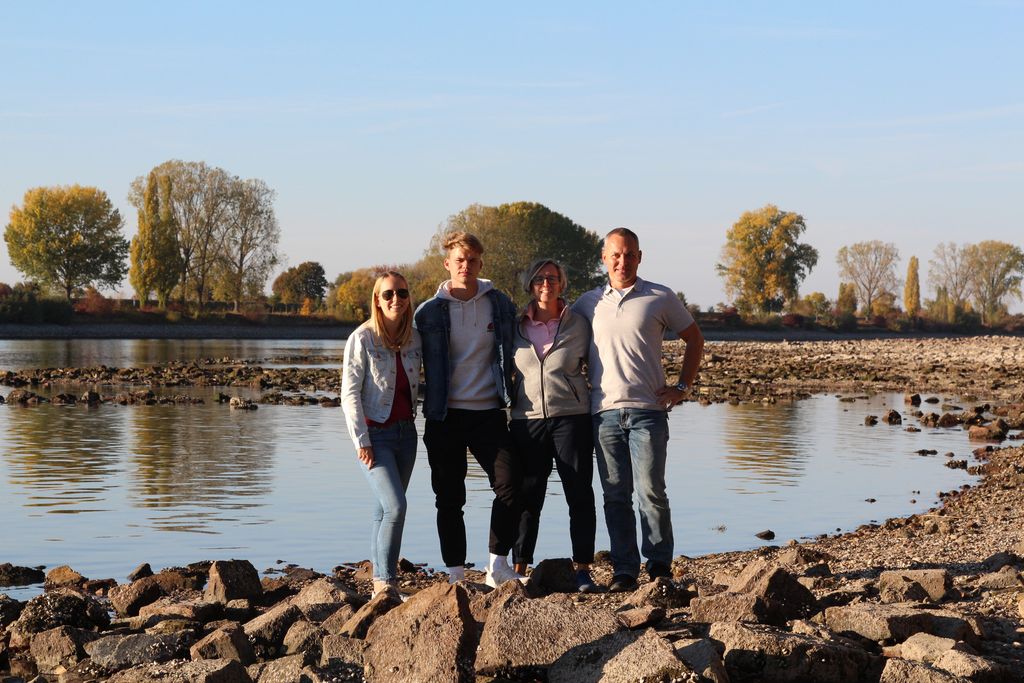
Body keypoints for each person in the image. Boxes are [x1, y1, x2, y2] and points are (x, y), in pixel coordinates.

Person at [573, 227, 705, 592]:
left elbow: (694, 339)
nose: (622, 261)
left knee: (651, 491)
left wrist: (682, 387)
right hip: (603, 414)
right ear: (604, 258)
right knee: (615, 495)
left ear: (639, 257)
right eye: (615, 254)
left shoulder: (660, 297)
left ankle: (659, 566)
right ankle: (624, 570)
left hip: (649, 410)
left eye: (629, 254)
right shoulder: (588, 303)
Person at [413, 231, 524, 587]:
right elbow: (403, 350)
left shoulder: (500, 304)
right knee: (449, 496)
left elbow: (526, 335)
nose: (466, 266)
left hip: (489, 412)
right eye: (459, 260)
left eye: (472, 260)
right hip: (444, 416)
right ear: (447, 264)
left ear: (480, 263)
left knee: (510, 484)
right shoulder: (428, 313)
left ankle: (497, 565)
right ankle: (456, 575)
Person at [510, 258, 600, 593]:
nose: (545, 283)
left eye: (552, 278)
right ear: (530, 284)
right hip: (527, 420)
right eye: (539, 278)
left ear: (562, 284)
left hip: (572, 418)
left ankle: (583, 570)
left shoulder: (579, 323)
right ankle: (519, 567)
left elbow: (598, 366)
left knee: (579, 494)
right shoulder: (515, 324)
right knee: (528, 496)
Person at [341, 271, 422, 597]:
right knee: (396, 507)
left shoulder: (415, 338)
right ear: (377, 299)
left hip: (406, 436)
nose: (395, 300)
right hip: (376, 437)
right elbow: (349, 394)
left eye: (401, 293)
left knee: (382, 510)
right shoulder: (361, 339)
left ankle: (378, 583)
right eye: (388, 294)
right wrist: (361, 440)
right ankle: (387, 583)